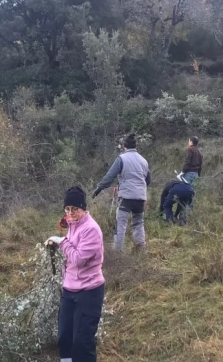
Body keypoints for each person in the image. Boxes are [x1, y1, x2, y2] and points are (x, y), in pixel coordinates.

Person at [45, 186, 105, 362]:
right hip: (70, 289)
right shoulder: (72, 224)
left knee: (82, 342)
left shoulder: (91, 229)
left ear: (83, 208)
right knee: (64, 337)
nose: (70, 213)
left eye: (74, 209)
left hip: (89, 291)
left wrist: (61, 241)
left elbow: (78, 258)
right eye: (67, 209)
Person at [92, 133, 150, 251]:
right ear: (136, 146)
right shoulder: (144, 161)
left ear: (124, 146)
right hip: (140, 197)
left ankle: (118, 253)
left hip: (127, 197)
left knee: (121, 224)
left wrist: (99, 189)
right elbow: (148, 180)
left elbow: (109, 177)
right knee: (138, 222)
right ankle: (141, 248)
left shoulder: (121, 158)